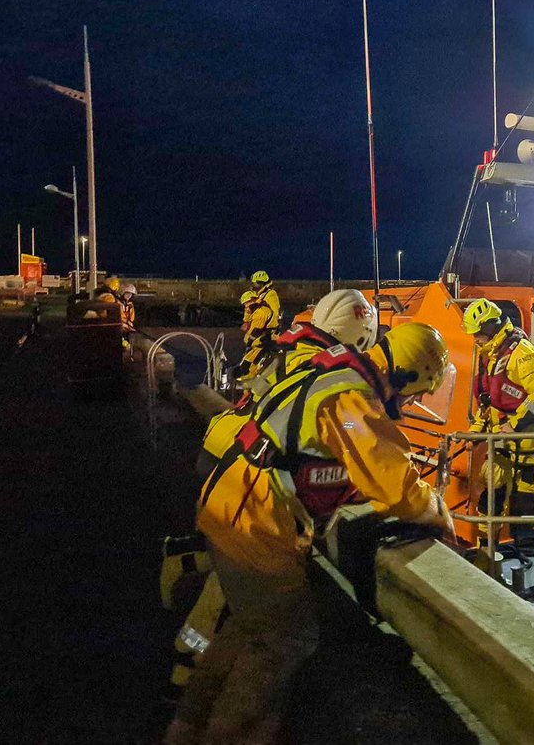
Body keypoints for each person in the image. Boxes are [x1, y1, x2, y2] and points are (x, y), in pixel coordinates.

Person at [163, 322, 453, 745]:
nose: (412, 402)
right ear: (406, 374)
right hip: (255, 523)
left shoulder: (334, 372)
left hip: (232, 505)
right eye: (416, 391)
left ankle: (185, 728)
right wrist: (438, 514)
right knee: (287, 636)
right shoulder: (351, 398)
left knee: (250, 627)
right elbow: (395, 485)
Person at [161, 289, 379, 695]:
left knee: (231, 573)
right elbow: (321, 439)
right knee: (246, 586)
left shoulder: (293, 352)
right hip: (244, 474)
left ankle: (188, 645)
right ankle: (191, 665)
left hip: (224, 451)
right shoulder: (327, 372)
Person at [460, 298, 534, 586]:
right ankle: (486, 558)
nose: (475, 339)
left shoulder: (521, 353)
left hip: (529, 442)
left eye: (477, 333)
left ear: (490, 326)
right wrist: (476, 430)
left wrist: (515, 425)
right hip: (501, 442)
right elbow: (490, 401)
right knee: (490, 501)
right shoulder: (491, 354)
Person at [118, 283, 137, 350]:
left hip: (127, 328)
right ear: (122, 293)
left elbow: (132, 316)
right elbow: (119, 315)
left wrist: (130, 323)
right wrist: (123, 323)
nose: (129, 296)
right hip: (119, 326)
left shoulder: (130, 305)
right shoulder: (118, 303)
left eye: (131, 294)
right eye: (127, 293)